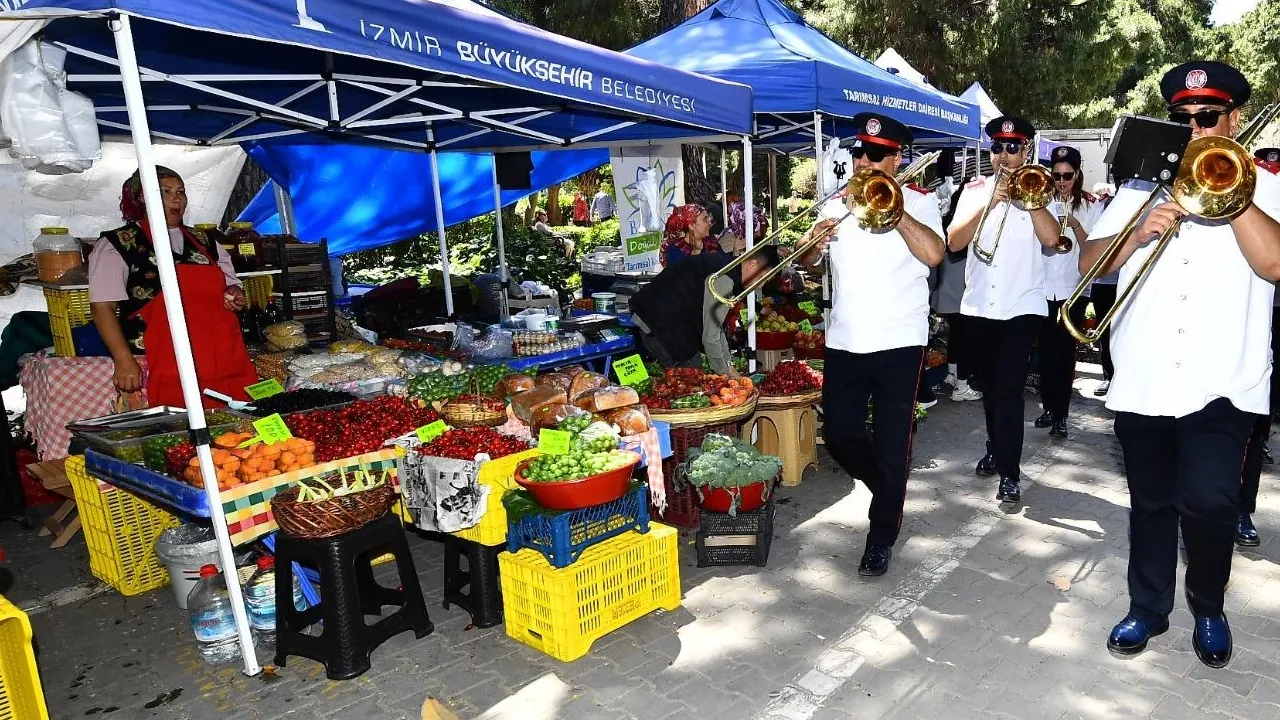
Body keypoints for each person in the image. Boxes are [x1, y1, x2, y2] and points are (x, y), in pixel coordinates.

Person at [1080, 61, 1280, 669]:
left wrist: (1231, 195)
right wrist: (1137, 232)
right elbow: (1088, 263)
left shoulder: (1265, 187)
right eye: (1182, 118)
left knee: (1211, 504)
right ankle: (1148, 608)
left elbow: (1274, 264)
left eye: (1207, 116)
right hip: (1145, 376)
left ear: (1233, 120)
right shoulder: (1140, 188)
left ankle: (1208, 605)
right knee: (1151, 503)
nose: (1194, 128)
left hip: (1224, 382)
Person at [794, 113, 946, 577]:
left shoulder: (919, 202)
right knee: (840, 435)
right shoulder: (835, 203)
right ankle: (888, 488)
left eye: (876, 155)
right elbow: (808, 265)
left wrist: (895, 211)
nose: (864, 161)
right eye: (859, 152)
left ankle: (881, 537)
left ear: (897, 159)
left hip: (900, 341)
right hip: (845, 338)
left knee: (892, 442)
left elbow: (934, 254)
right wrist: (813, 245)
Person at [947, 115, 1065, 504]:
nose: (1004, 155)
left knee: (1010, 389)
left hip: (1021, 307)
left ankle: (1010, 472)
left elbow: (1053, 240)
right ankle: (996, 446)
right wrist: (990, 201)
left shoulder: (1042, 190)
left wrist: (1030, 201)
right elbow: (953, 243)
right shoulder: (975, 190)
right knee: (990, 387)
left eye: (1012, 148)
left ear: (1026, 150)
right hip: (979, 305)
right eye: (997, 147)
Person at [88, 166, 256, 407]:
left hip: (221, 359)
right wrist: (123, 359)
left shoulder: (205, 241)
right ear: (143, 197)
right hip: (162, 363)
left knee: (235, 426)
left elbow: (230, 282)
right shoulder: (119, 244)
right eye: (165, 192)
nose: (176, 198)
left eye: (180, 191)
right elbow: (102, 307)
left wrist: (234, 292)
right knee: (178, 428)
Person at [629, 244, 781, 375]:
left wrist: (728, 365)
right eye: (761, 278)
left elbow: (717, 326)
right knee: (691, 377)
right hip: (658, 322)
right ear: (752, 265)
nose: (761, 285)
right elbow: (711, 336)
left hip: (663, 318)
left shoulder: (727, 267)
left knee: (693, 372)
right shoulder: (724, 280)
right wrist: (726, 373)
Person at [1035, 145, 1100, 439]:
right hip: (1042, 287)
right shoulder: (1041, 200)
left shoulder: (1089, 206)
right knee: (1045, 353)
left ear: (1077, 174)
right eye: (1057, 176)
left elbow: (1093, 250)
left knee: (1063, 355)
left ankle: (1061, 414)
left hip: (1072, 290)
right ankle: (1048, 406)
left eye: (1067, 176)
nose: (1061, 181)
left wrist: (1075, 225)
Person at [1236, 147, 1280, 548]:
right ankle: (1237, 509)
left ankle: (1240, 507)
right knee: (1251, 425)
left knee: (1256, 425)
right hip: (1257, 319)